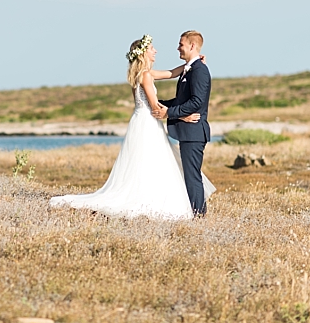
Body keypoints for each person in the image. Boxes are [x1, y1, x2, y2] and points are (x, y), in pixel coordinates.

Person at [49, 34, 215, 220]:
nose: (156, 51)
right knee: (150, 162)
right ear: (144, 53)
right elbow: (155, 107)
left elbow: (171, 73)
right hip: (147, 122)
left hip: (143, 120)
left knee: (148, 162)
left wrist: (192, 64)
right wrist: (183, 116)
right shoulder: (145, 75)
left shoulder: (145, 74)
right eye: (152, 48)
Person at [153, 30, 212, 217]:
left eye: (181, 44)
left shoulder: (200, 71)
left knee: (192, 176)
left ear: (192, 46)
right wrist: (158, 104)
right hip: (187, 131)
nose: (178, 47)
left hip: (194, 131)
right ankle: (194, 212)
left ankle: (198, 215)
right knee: (188, 174)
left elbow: (197, 102)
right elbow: (181, 100)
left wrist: (169, 112)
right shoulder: (190, 68)